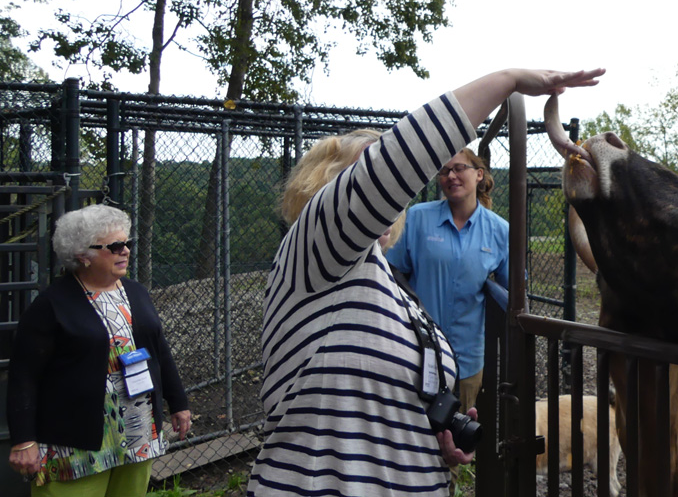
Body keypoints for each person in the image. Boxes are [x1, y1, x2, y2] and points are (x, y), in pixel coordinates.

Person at [248, 68, 605, 497]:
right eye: (369, 178)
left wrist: (428, 436)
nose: (388, 195)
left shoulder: (379, 276)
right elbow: (396, 164)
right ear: (326, 189)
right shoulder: (316, 251)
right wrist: (507, 81)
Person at [6, 204, 191, 496]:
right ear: (83, 256)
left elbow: (159, 350)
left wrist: (178, 402)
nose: (125, 251)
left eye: (127, 243)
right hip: (74, 444)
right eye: (115, 246)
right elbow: (23, 376)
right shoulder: (51, 305)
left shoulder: (136, 292)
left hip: (137, 431)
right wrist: (24, 440)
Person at [386, 147, 507, 417]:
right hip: (416, 352)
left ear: (479, 175)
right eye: (444, 171)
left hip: (468, 358)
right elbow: (393, 271)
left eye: (458, 168)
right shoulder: (418, 217)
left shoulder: (500, 231)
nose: (450, 175)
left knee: (453, 440)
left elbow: (511, 291)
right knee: (411, 433)